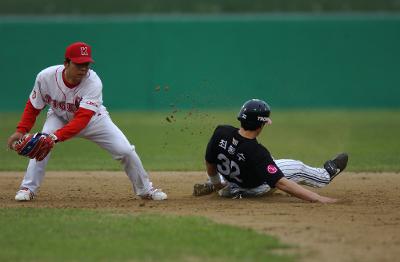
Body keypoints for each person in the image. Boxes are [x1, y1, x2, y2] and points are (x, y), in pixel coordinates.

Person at [7, 42, 167, 201]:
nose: (83, 68)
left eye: (86, 64)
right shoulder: (45, 77)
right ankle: (28, 188)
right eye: (79, 64)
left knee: (125, 151)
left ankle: (145, 190)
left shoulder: (93, 82)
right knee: (40, 145)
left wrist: (54, 137)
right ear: (66, 63)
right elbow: (34, 106)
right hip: (58, 117)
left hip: (94, 120)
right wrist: (21, 130)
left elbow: (82, 120)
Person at [195, 99, 348, 203]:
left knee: (238, 162)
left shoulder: (221, 132)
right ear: (260, 125)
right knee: (296, 167)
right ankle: (326, 175)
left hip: (230, 176)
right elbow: (281, 183)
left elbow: (210, 161)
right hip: (255, 188)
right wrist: (317, 198)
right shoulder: (257, 152)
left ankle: (222, 185)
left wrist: (216, 185)